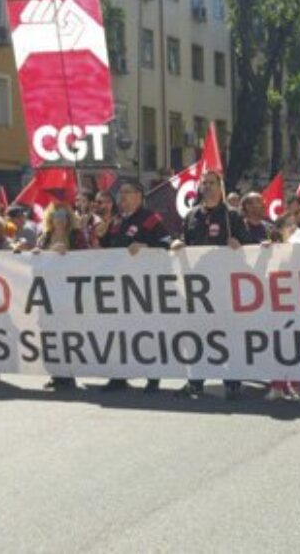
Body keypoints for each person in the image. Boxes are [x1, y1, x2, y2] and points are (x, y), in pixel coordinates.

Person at [171, 170, 247, 400]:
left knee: (226, 335)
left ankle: (232, 382)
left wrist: (238, 244)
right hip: (197, 288)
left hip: (223, 286)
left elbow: (249, 246)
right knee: (197, 335)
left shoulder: (231, 216)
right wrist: (178, 243)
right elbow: (184, 240)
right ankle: (195, 381)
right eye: (204, 183)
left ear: (220, 186)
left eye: (212, 183)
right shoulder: (192, 215)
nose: (207, 187)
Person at [96, 181, 172, 394]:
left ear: (139, 195)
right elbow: (109, 250)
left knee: (145, 332)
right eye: (120, 193)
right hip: (119, 285)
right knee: (119, 333)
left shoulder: (149, 218)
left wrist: (146, 246)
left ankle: (153, 378)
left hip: (141, 287)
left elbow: (166, 243)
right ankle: (118, 376)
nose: (122, 197)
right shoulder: (117, 221)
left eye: (127, 192)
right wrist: (102, 235)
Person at [35, 201, 89, 392]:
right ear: (50, 218)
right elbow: (37, 260)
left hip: (68, 293)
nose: (60, 220)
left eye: (64, 216)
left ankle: (68, 375)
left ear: (69, 219)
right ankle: (55, 374)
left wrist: (68, 255)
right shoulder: (44, 236)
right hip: (47, 293)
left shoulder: (76, 236)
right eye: (56, 216)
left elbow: (86, 258)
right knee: (49, 334)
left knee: (66, 334)